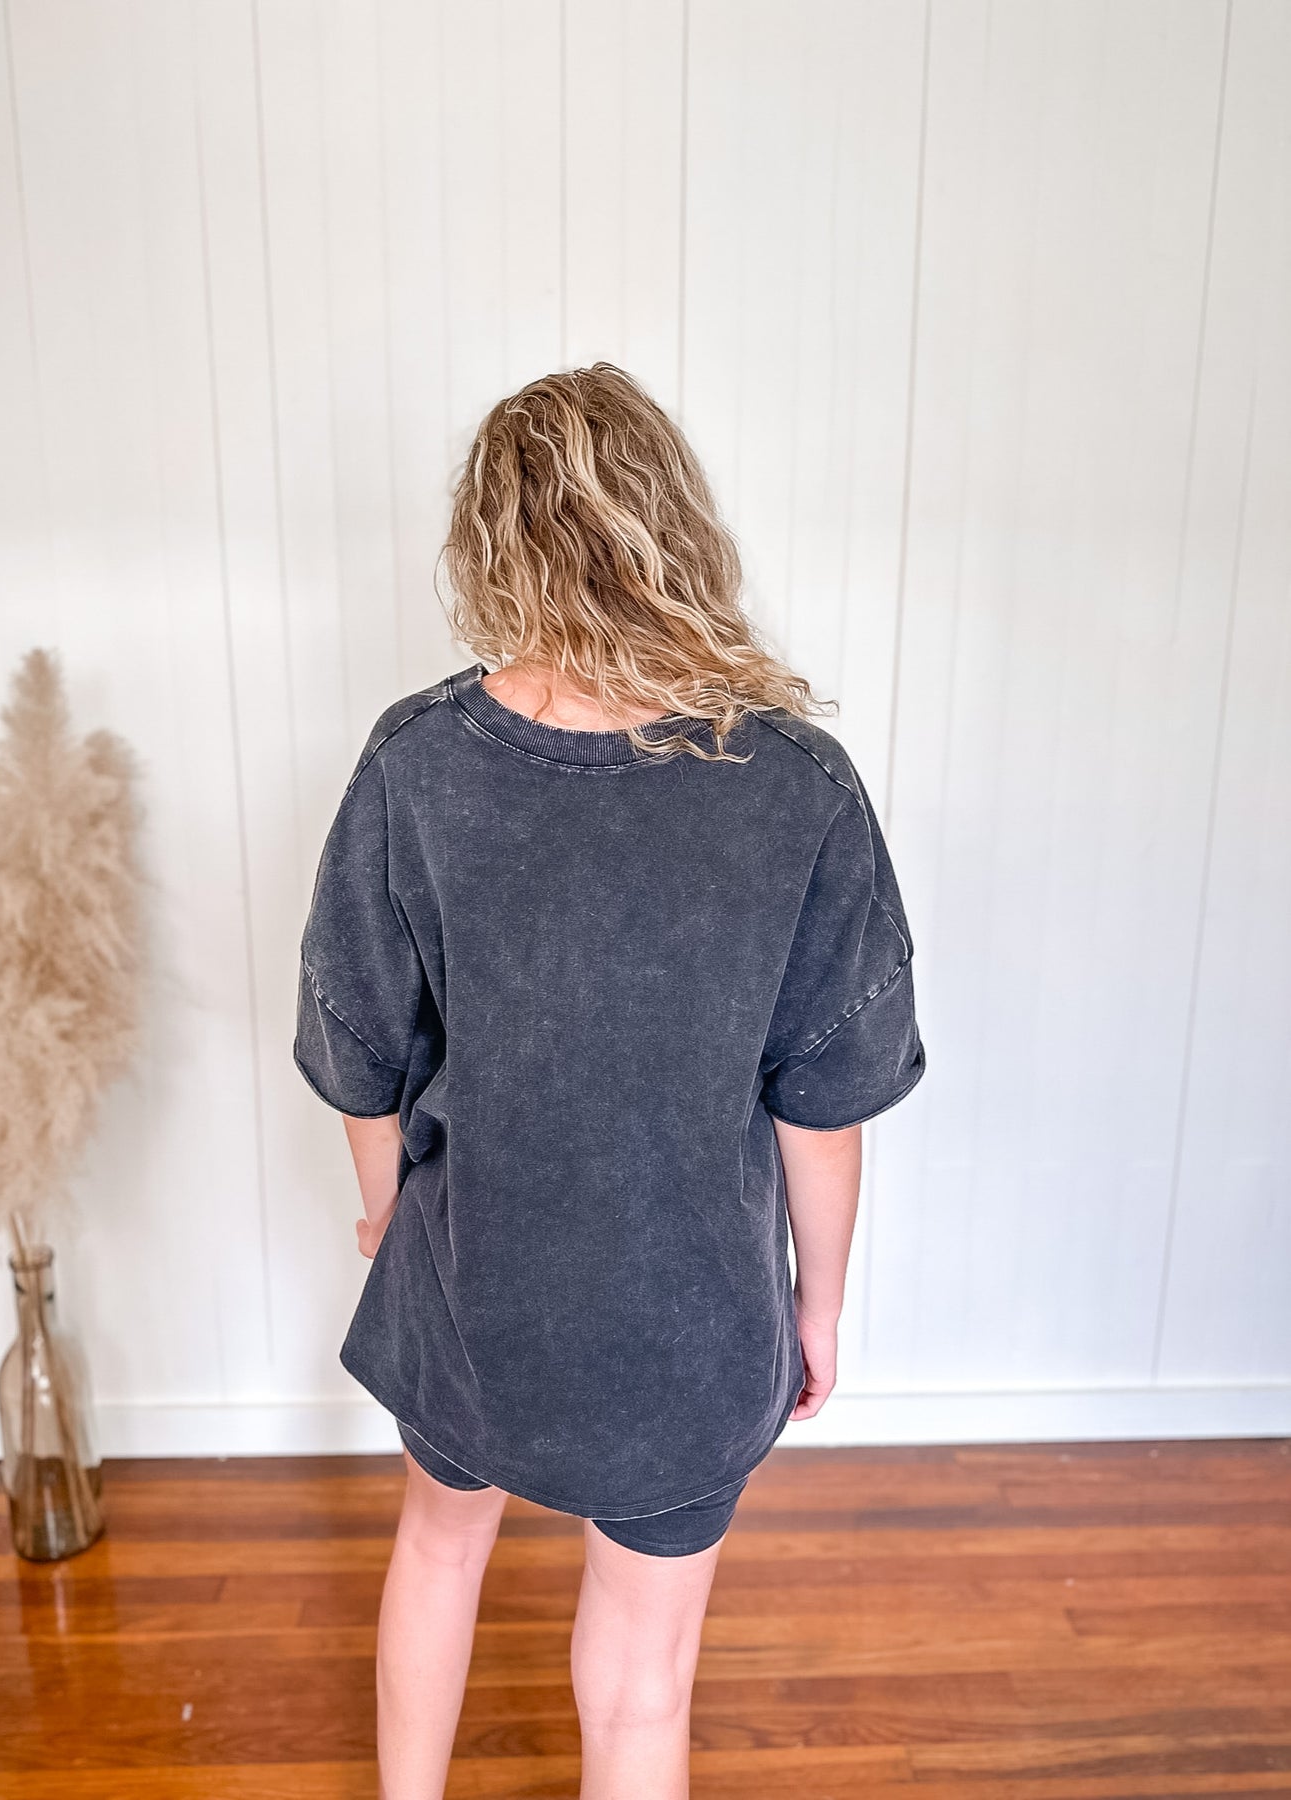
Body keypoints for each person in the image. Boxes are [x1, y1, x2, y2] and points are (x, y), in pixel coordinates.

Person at [293, 362, 927, 1800]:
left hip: (469, 1279)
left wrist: (389, 1216)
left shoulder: (418, 763)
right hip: (690, 1322)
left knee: (437, 1548)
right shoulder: (797, 783)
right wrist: (815, 1307)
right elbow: (823, 1107)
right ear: (674, 523)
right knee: (645, 1686)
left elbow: (358, 1055)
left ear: (489, 540)